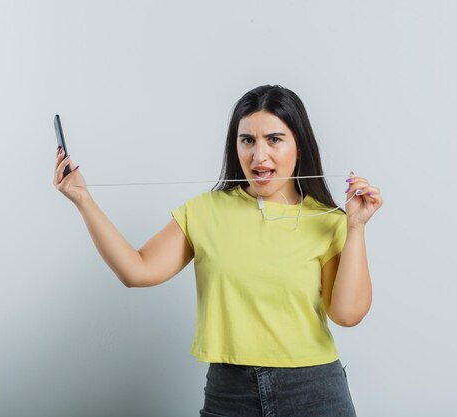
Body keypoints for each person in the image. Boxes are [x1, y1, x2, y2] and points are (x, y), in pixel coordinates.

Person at [53, 84, 383, 417]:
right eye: (247, 140)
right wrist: (84, 200)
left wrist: (356, 227)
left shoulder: (327, 220)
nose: (259, 156)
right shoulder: (205, 211)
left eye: (275, 139)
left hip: (314, 391)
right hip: (231, 394)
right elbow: (136, 270)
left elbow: (347, 314)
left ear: (299, 146)